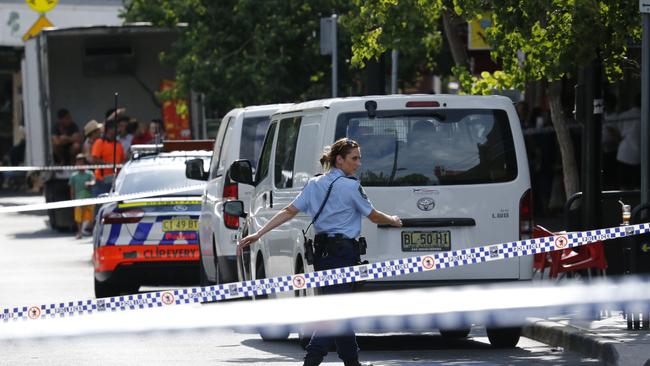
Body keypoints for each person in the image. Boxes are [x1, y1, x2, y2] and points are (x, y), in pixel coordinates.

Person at [238, 138, 402, 366]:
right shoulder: (351, 186)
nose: (358, 163)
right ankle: (311, 361)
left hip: (323, 254)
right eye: (354, 158)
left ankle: (352, 363)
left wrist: (259, 233)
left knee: (338, 308)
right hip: (343, 254)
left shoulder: (315, 184)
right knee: (336, 313)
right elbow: (373, 215)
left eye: (359, 158)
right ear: (339, 160)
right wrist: (393, 220)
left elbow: (288, 211)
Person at [91, 119, 125, 196]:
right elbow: (95, 159)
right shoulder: (100, 142)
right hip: (102, 180)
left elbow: (122, 160)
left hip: (116, 180)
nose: (118, 130)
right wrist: (109, 165)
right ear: (109, 130)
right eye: (116, 128)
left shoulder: (118, 144)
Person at [615, 94, 641, 190]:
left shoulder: (624, 115)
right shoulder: (644, 115)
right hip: (638, 154)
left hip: (625, 153)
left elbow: (619, 133)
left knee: (624, 185)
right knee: (638, 186)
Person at [69, 153, 95, 239]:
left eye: (82, 163)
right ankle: (80, 232)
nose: (81, 165)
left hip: (89, 198)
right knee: (78, 217)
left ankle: (91, 231)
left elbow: (93, 181)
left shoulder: (89, 174)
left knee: (90, 216)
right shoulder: (73, 176)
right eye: (79, 163)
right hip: (78, 199)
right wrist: (72, 200)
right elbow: (72, 189)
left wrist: (90, 183)